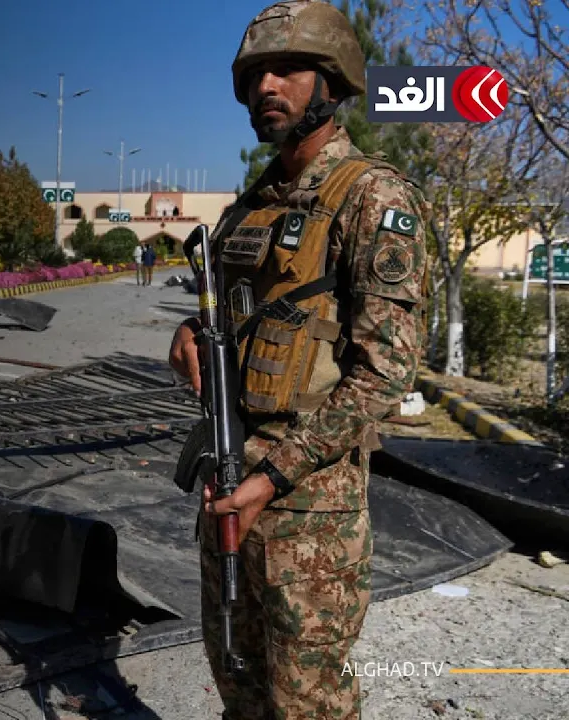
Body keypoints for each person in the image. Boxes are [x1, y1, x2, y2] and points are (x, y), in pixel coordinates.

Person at [166, 2, 430, 718]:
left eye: (286, 70)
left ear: (331, 84)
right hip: (228, 483)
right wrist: (190, 332)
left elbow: (386, 372)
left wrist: (272, 476)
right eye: (255, 75)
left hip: (308, 513)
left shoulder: (373, 197)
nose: (266, 87)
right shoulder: (252, 206)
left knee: (308, 705)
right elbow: (230, 314)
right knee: (240, 689)